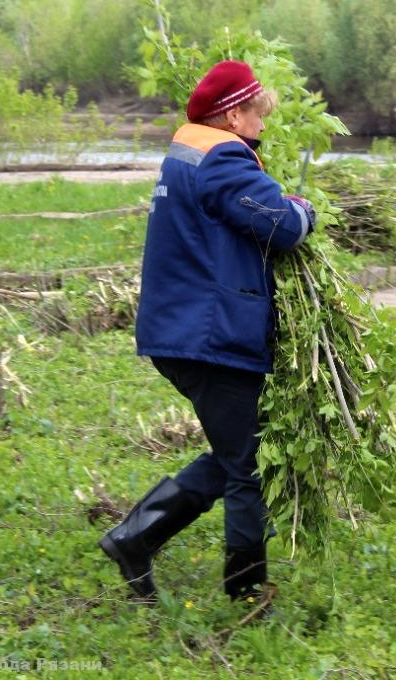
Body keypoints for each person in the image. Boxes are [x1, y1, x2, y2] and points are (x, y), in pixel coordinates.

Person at [99, 60, 316, 605]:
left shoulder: (187, 152)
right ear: (233, 113)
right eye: (257, 115)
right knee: (250, 466)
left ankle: (136, 537)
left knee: (236, 450)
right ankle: (245, 594)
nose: (262, 126)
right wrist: (304, 209)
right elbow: (282, 227)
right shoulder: (221, 159)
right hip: (211, 337)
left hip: (184, 331)